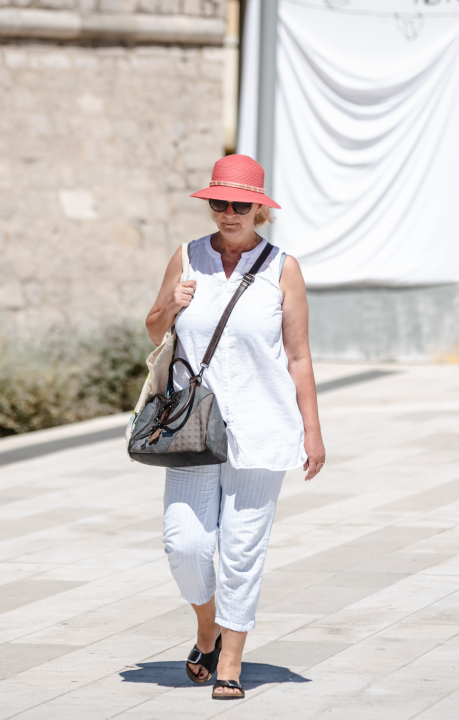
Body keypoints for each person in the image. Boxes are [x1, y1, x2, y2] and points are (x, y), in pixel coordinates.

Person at [144, 154, 326, 700]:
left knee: (243, 549)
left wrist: (311, 431)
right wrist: (170, 305)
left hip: (264, 425)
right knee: (185, 544)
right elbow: (152, 328)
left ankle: (231, 661)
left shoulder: (281, 268)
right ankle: (207, 626)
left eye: (240, 204)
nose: (228, 212)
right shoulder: (187, 257)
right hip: (194, 427)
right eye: (220, 202)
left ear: (258, 210)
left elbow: (298, 356)